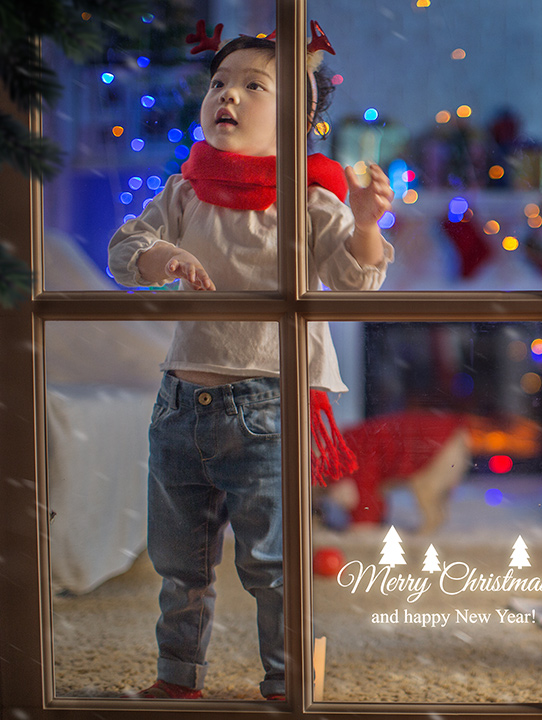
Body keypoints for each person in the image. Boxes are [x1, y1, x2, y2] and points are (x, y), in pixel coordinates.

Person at [107, 24, 394, 701]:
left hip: (266, 406)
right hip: (180, 405)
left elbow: (356, 285)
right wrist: (161, 259)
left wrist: (366, 224)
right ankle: (178, 676)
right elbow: (126, 247)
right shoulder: (185, 193)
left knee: (272, 564)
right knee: (179, 562)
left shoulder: (311, 202)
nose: (226, 95)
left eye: (252, 86)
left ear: (301, 117)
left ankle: (287, 679)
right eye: (218, 83)